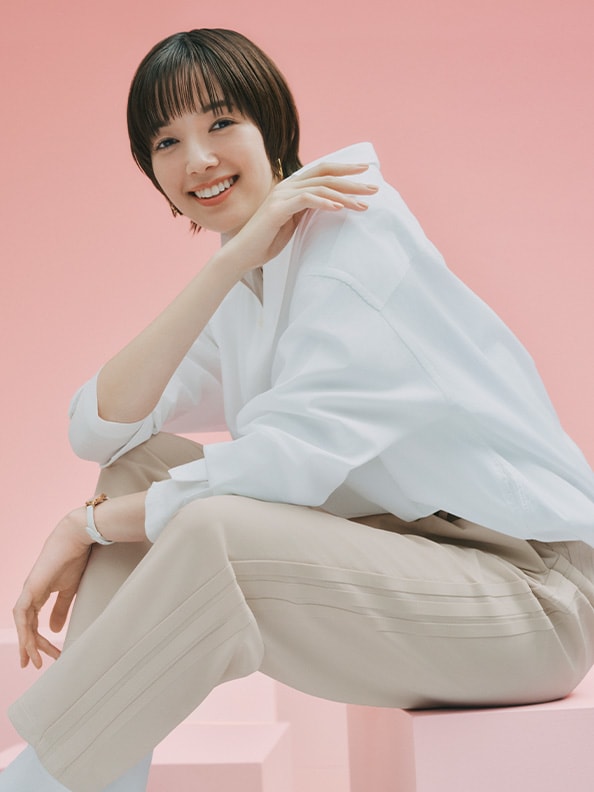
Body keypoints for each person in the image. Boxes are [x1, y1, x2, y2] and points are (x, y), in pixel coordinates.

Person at [3, 26, 594, 792]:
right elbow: (101, 429)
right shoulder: (255, 264)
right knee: (137, 469)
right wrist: (224, 267)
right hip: (421, 561)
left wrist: (81, 526)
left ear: (272, 125)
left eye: (220, 122)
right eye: (166, 143)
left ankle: (44, 783)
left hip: (534, 598)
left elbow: (286, 463)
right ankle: (97, 781)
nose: (199, 160)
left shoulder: (354, 232)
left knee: (214, 527)